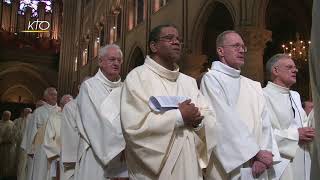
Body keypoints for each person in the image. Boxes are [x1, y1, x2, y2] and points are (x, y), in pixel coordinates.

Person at [120, 24, 216, 179]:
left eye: (178, 39)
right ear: (153, 46)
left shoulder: (188, 82)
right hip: (157, 170)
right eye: (169, 38)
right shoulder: (138, 78)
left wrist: (198, 120)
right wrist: (179, 117)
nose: (176, 42)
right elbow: (134, 126)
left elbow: (207, 115)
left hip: (189, 161)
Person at [200, 30, 277, 179]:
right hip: (229, 164)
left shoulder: (253, 85)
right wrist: (255, 153)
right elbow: (221, 121)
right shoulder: (212, 79)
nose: (242, 50)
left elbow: (265, 123)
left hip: (258, 164)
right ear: (220, 51)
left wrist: (265, 153)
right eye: (236, 46)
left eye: (243, 46)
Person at [76, 44, 128, 180]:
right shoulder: (89, 87)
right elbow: (93, 122)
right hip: (97, 154)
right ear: (100, 62)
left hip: (125, 155)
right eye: (112, 59)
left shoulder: (126, 89)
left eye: (119, 60)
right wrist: (119, 148)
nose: (116, 63)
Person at [263, 53, 315, 180]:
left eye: (295, 67)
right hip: (282, 164)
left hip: (304, 157)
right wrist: (296, 135)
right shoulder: (262, 95)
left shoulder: (295, 95)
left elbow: (305, 124)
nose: (295, 70)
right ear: (275, 70)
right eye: (289, 67)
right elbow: (263, 134)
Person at [60, 76, 90, 180]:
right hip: (78, 157)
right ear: (79, 87)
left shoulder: (100, 106)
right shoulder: (71, 107)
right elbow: (70, 136)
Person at [31, 87, 61, 180]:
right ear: (45, 97)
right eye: (51, 94)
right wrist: (31, 149)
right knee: (41, 170)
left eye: (55, 94)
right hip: (42, 147)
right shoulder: (38, 112)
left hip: (57, 147)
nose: (54, 96)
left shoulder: (61, 110)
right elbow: (33, 130)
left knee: (56, 172)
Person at [43, 94, 73, 180]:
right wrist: (60, 154)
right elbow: (48, 141)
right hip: (58, 159)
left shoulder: (77, 118)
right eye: (68, 105)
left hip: (74, 161)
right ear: (62, 105)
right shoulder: (53, 118)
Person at [21, 100, 46, 180]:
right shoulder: (31, 116)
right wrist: (30, 148)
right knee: (31, 169)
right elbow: (28, 133)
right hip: (33, 146)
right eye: (40, 106)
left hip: (43, 147)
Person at [15, 108, 32, 180]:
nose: (27, 114)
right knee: (21, 164)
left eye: (29, 112)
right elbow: (16, 132)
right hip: (21, 146)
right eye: (26, 112)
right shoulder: (18, 120)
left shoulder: (32, 119)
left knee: (29, 165)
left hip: (30, 146)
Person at [0, 110, 16, 180]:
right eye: (6, 115)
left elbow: (14, 134)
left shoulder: (12, 124)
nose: (7, 116)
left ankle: (6, 175)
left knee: (7, 161)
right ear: (3, 115)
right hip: (1, 145)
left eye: (9, 115)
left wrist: (10, 141)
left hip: (8, 146)